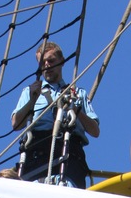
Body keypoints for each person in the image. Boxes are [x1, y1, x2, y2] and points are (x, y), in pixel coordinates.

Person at [11, 41, 99, 188]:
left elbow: (95, 131)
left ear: (62, 61)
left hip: (70, 154)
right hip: (37, 154)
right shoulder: (30, 91)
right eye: (42, 62)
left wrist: (75, 109)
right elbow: (16, 124)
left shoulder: (77, 93)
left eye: (51, 60)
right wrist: (32, 100)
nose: (46, 65)